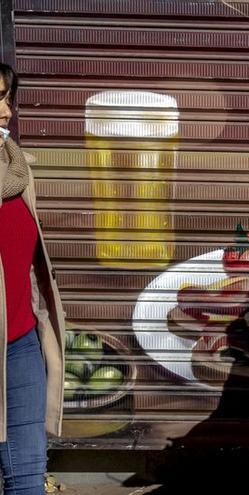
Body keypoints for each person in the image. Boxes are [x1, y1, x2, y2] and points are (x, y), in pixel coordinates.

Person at [0, 63, 66, 495]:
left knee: (27, 478)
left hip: (18, 342)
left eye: (6, 97)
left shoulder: (16, 167)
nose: (5, 112)